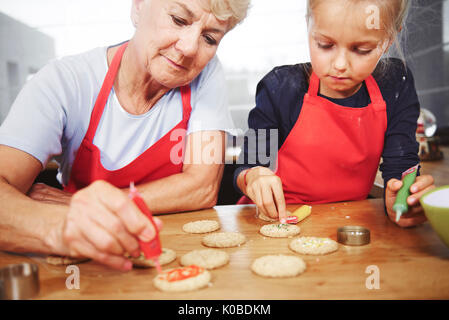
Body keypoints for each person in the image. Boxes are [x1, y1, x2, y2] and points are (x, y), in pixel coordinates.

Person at [0, 0, 250, 271]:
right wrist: (64, 224)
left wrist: (84, 204)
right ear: (139, 6)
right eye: (178, 19)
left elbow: (201, 188)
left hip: (175, 256)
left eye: (210, 38)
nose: (189, 48)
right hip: (86, 263)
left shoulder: (206, 75)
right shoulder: (65, 82)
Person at [234, 0, 435, 228]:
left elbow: (401, 168)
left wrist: (402, 198)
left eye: (362, 50)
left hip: (349, 222)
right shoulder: (280, 88)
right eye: (325, 44)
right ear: (308, 26)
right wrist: (253, 176)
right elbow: (248, 166)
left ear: (388, 40)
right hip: (272, 221)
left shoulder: (396, 85)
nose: (340, 64)